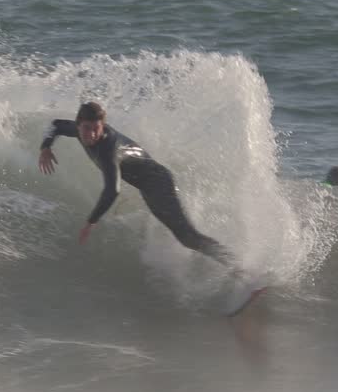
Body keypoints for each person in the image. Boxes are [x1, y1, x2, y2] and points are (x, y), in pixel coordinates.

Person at [38, 102, 233, 268]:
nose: (92, 134)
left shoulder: (107, 150)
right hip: (147, 188)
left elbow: (112, 190)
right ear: (78, 124)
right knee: (185, 237)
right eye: (87, 128)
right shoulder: (78, 130)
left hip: (158, 183)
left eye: (96, 128)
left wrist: (91, 221)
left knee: (187, 237)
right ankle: (232, 265)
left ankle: (237, 267)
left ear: (102, 126)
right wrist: (45, 147)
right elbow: (56, 125)